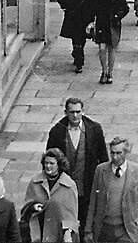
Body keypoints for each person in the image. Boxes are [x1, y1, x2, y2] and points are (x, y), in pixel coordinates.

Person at [46, 97, 108, 236]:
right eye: (71, 112)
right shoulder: (57, 131)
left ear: (82, 111)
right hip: (64, 187)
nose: (75, 115)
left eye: (78, 112)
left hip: (87, 185)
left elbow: (103, 158)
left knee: (86, 220)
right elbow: (49, 160)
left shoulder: (94, 129)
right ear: (65, 112)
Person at [84, 137, 138, 243]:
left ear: (126, 152)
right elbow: (93, 201)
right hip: (105, 228)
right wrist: (88, 229)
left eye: (119, 153)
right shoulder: (101, 170)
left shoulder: (137, 172)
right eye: (112, 153)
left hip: (127, 230)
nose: (115, 157)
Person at [22, 148, 79, 243]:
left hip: (58, 232)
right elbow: (26, 207)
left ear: (59, 165)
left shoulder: (69, 185)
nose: (48, 166)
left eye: (52, 163)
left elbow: (72, 215)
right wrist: (33, 206)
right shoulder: (35, 182)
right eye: (46, 163)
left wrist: (68, 233)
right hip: (38, 231)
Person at [57, 0, 97, 74]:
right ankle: (79, 58)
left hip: (86, 14)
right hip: (73, 14)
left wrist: (93, 11)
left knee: (83, 36)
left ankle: (78, 52)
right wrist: (66, 7)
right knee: (76, 37)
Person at [90, 0, 129, 85]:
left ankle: (110, 72)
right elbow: (92, 8)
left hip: (113, 24)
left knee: (112, 48)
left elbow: (125, 8)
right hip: (102, 23)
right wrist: (91, 21)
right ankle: (104, 71)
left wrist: (118, 16)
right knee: (102, 48)